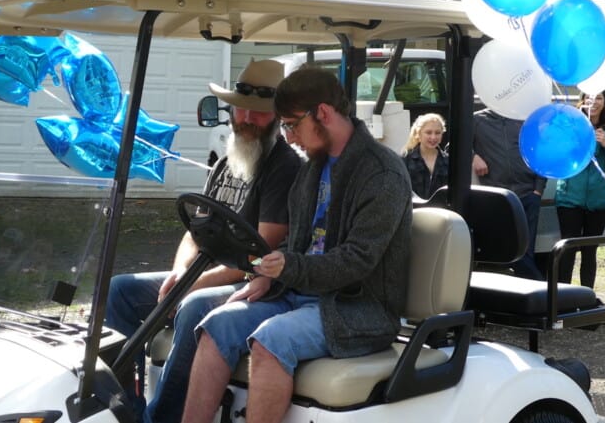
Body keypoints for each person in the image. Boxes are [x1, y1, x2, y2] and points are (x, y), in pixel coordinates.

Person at [180, 68, 412, 423]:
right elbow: (297, 237)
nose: (287, 137)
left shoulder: (382, 174)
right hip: (300, 293)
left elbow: (358, 260)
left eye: (291, 125)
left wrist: (287, 267)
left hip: (356, 307)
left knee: (273, 339)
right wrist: (267, 276)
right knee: (217, 324)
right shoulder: (312, 168)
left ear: (322, 113)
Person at [104, 59, 302, 423]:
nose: (246, 119)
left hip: (253, 283)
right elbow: (195, 231)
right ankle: (121, 408)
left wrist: (190, 284)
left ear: (277, 118)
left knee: (195, 306)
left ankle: (161, 418)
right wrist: (180, 271)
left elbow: (260, 255)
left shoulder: (284, 167)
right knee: (121, 290)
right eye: (241, 109)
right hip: (201, 274)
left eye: (259, 114)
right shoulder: (228, 163)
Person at [556, 88, 605, 288]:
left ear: (604, 102)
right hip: (570, 199)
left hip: (598, 202)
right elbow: (558, 156)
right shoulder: (571, 125)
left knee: (589, 252)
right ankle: (561, 299)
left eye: (599, 98)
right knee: (567, 250)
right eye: (589, 97)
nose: (593, 102)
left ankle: (586, 298)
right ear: (582, 100)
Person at [472, 108, 547, 280]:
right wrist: (473, 156)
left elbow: (541, 154)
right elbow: (453, 145)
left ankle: (541, 295)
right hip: (500, 196)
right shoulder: (477, 120)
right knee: (509, 251)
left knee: (526, 253)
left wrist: (538, 190)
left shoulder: (525, 120)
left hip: (528, 194)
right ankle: (544, 292)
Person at [401, 113, 449, 199]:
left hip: (441, 210)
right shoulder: (405, 159)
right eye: (428, 132)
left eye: (437, 133)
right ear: (418, 134)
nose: (433, 137)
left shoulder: (448, 161)